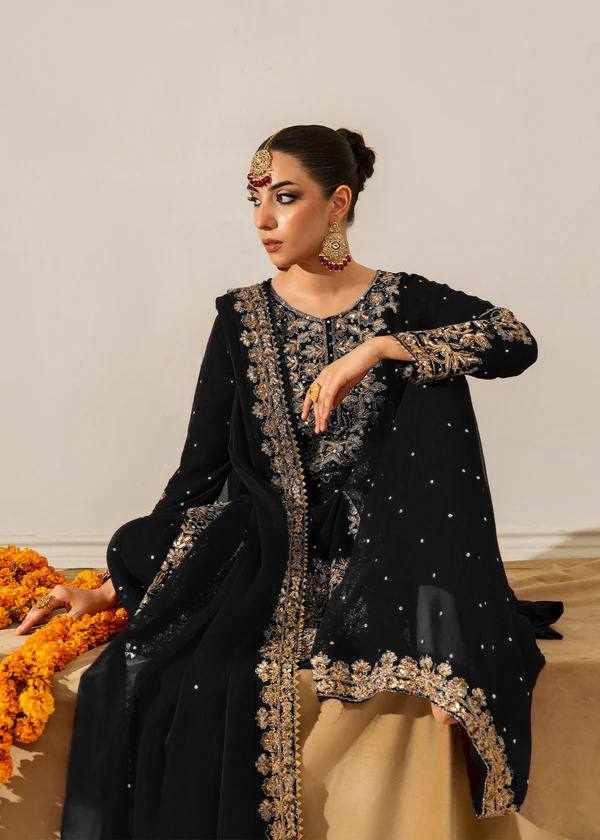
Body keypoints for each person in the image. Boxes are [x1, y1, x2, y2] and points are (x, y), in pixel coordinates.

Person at [21, 124, 564, 839]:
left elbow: (514, 340)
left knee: (434, 373)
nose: (263, 221)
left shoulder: (402, 300)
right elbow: (200, 475)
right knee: (163, 663)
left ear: (337, 203)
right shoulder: (241, 318)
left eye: (284, 198)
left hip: (389, 551)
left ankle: (440, 631)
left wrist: (379, 349)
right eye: (254, 201)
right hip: (267, 553)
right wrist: (109, 590)